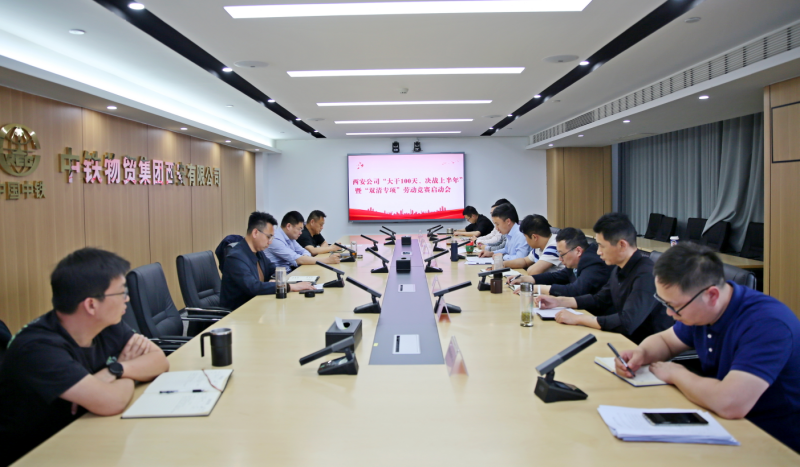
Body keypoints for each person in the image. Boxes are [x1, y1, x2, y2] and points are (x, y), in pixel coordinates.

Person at [614, 243, 800, 453]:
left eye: (674, 306)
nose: (669, 314)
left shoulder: (767, 324)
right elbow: (666, 341)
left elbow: (730, 403)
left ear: (712, 295)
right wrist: (642, 353)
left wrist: (677, 374)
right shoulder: (702, 310)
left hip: (774, 442)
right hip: (720, 424)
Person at [0, 248, 170, 466]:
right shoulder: (37, 348)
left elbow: (159, 359)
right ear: (91, 305)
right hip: (37, 455)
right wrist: (124, 368)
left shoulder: (106, 323)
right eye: (121, 293)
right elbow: (111, 402)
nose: (127, 299)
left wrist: (115, 371)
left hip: (85, 438)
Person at [535, 212, 672, 344]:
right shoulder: (618, 270)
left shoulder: (646, 274)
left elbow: (627, 322)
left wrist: (579, 319)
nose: (598, 252)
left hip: (648, 346)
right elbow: (599, 300)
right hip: (624, 339)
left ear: (622, 245)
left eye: (602, 246)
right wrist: (558, 301)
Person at [221, 212, 315, 310]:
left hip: (259, 305)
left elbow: (273, 269)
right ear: (255, 233)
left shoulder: (258, 252)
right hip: (239, 312)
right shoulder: (236, 257)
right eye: (269, 237)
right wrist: (290, 287)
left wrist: (279, 279)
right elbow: (253, 287)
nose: (270, 242)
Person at [512, 228, 612, 297]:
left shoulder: (594, 263)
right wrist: (527, 279)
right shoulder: (577, 262)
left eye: (562, 254)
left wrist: (538, 288)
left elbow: (576, 290)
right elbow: (557, 276)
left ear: (578, 251)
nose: (560, 259)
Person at [265, 211, 340, 269]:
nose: (301, 233)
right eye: (299, 229)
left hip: (291, 272)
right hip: (279, 278)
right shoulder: (275, 239)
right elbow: (298, 259)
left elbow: (305, 252)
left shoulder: (291, 238)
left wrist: (304, 257)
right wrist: (328, 260)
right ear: (288, 226)